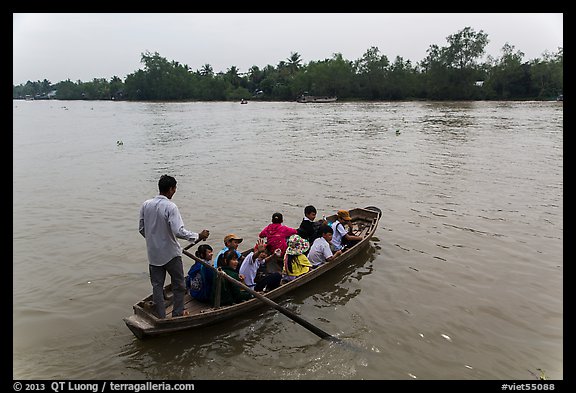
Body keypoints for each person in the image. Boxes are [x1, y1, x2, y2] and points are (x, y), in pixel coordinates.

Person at [139, 174, 210, 318]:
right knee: (179, 285)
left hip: (153, 254)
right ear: (171, 189)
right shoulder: (170, 207)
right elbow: (178, 231)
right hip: (171, 253)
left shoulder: (146, 204)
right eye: (175, 188)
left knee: (157, 286)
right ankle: (177, 313)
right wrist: (198, 236)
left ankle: (160, 316)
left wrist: (154, 239)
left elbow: (141, 229)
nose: (175, 191)